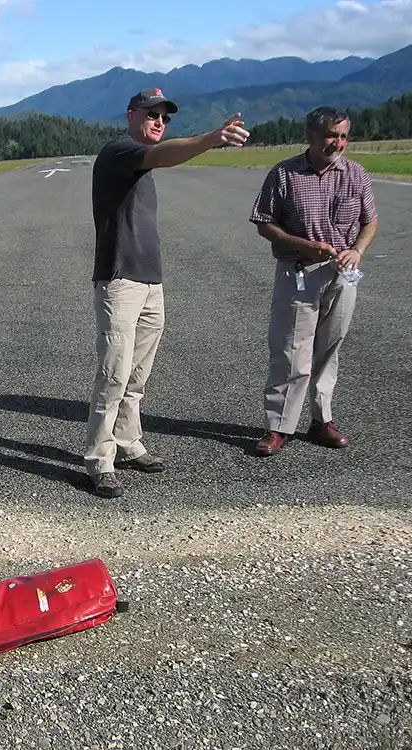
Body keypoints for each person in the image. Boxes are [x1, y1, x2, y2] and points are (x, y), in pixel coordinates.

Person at [85, 88, 250, 498]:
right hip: (120, 279)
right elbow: (165, 154)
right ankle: (99, 459)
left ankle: (127, 442)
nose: (159, 121)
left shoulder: (140, 164)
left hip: (150, 280)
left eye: (165, 117)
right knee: (114, 373)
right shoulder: (120, 152)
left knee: (137, 375)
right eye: (152, 114)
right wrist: (211, 139)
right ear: (130, 115)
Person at [248, 106, 378, 457]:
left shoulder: (356, 174)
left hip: (342, 274)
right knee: (290, 350)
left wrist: (358, 251)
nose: (337, 143)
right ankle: (279, 427)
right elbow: (264, 223)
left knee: (329, 347)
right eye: (330, 136)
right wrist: (303, 245)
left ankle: (323, 420)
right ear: (311, 137)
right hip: (299, 272)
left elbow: (370, 222)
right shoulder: (285, 175)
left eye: (343, 136)